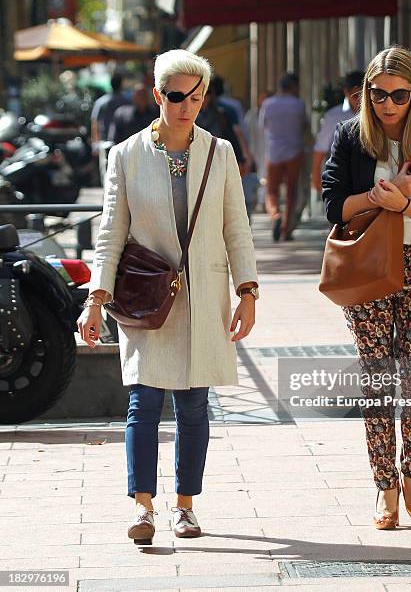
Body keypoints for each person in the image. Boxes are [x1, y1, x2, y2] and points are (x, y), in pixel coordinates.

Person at [77, 49, 259, 544]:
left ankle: (185, 507)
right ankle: (142, 508)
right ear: (158, 95)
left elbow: (236, 228)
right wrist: (96, 298)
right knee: (143, 402)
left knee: (194, 405)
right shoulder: (127, 155)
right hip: (145, 296)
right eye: (176, 96)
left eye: (196, 97)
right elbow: (111, 232)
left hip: (202, 293)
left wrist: (248, 290)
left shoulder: (219, 152)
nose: (186, 106)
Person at [322, 46, 411, 530]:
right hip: (367, 269)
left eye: (398, 95)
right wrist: (377, 198)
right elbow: (333, 206)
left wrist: (405, 206)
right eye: (377, 94)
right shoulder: (350, 138)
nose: (387, 104)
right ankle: (384, 484)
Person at [260, 72, 308, 241]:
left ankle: (275, 215)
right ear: (293, 86)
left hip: (274, 152)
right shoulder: (298, 104)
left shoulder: (268, 104)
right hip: (294, 152)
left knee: (271, 190)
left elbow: (263, 126)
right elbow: (305, 126)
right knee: (291, 192)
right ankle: (287, 228)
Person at [311, 71, 364, 193]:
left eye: (362, 95)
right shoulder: (333, 116)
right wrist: (315, 175)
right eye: (355, 96)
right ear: (346, 92)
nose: (359, 101)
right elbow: (320, 148)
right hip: (341, 176)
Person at [90, 72, 129, 149]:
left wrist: (95, 143)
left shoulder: (101, 102)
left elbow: (95, 123)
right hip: (123, 141)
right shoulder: (127, 101)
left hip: (105, 142)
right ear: (121, 85)